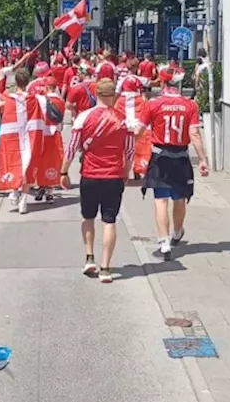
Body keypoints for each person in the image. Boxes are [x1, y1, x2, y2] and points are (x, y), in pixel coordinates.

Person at [60, 79, 133, 284]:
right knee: (109, 221)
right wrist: (126, 172)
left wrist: (64, 172)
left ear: (96, 94)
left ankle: (89, 257)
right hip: (114, 176)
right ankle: (106, 268)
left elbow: (72, 147)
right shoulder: (123, 120)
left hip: (90, 175)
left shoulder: (84, 117)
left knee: (88, 217)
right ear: (114, 96)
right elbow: (129, 151)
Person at [141, 68, 210, 261]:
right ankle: (177, 232)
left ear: (162, 83)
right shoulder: (189, 105)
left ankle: (163, 242)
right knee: (179, 198)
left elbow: (140, 130)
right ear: (179, 83)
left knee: (160, 199)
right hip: (181, 156)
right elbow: (194, 134)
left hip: (159, 156)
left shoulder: (153, 104)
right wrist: (203, 159)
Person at [0, 67, 48, 214]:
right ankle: (24, 199)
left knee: (13, 161)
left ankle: (14, 191)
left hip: (12, 136)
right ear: (28, 81)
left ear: (16, 82)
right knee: (29, 164)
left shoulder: (8, 98)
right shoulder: (34, 99)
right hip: (30, 136)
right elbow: (42, 116)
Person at [117, 75, 152, 181]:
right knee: (139, 148)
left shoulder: (120, 100)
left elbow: (116, 114)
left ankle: (123, 171)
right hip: (138, 128)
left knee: (123, 149)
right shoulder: (141, 100)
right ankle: (138, 169)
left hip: (124, 129)